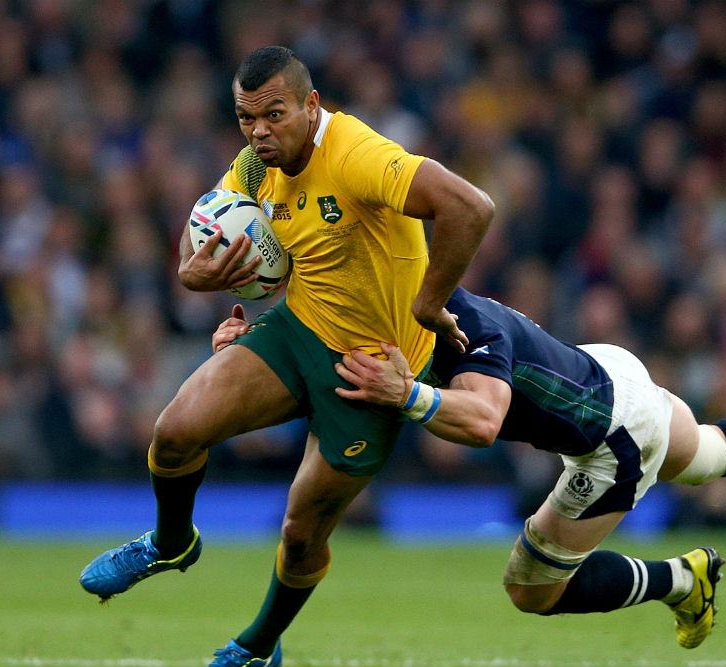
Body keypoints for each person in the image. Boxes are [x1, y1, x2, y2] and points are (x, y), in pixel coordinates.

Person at [212, 286, 726, 651]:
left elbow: (478, 422)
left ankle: (683, 578)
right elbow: (330, 333)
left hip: (611, 436)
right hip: (605, 370)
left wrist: (407, 394)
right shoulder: (414, 300)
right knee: (715, 451)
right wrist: (254, 339)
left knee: (529, 587)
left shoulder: (467, 333)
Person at [79, 46, 494, 667]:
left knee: (301, 533)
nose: (260, 132)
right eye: (247, 118)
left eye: (274, 115)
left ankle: (257, 646)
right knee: (174, 433)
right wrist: (204, 282)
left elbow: (471, 206)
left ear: (311, 104)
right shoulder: (253, 167)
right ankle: (170, 543)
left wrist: (431, 305)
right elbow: (213, 239)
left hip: (373, 369)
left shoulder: (357, 156)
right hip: (299, 330)